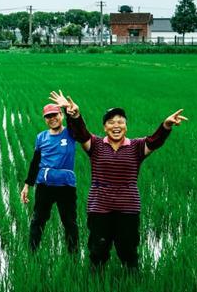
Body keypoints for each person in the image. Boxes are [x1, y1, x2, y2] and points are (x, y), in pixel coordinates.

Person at [49, 90, 187, 270]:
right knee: (98, 251)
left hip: (128, 208)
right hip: (99, 207)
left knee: (128, 252)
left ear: (126, 126)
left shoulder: (137, 147)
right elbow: (81, 134)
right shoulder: (96, 144)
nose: (116, 125)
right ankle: (96, 287)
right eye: (111, 122)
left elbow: (154, 141)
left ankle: (132, 285)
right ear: (105, 127)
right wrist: (74, 114)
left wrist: (166, 126)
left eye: (120, 122)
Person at [20, 104, 78, 254]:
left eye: (55, 115)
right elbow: (35, 162)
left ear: (61, 115)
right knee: (37, 220)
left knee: (69, 222)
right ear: (45, 119)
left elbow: (77, 124)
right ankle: (32, 254)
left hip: (66, 186)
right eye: (48, 116)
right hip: (44, 185)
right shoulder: (41, 137)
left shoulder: (71, 133)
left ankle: (73, 257)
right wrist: (27, 185)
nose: (52, 119)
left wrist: (68, 108)